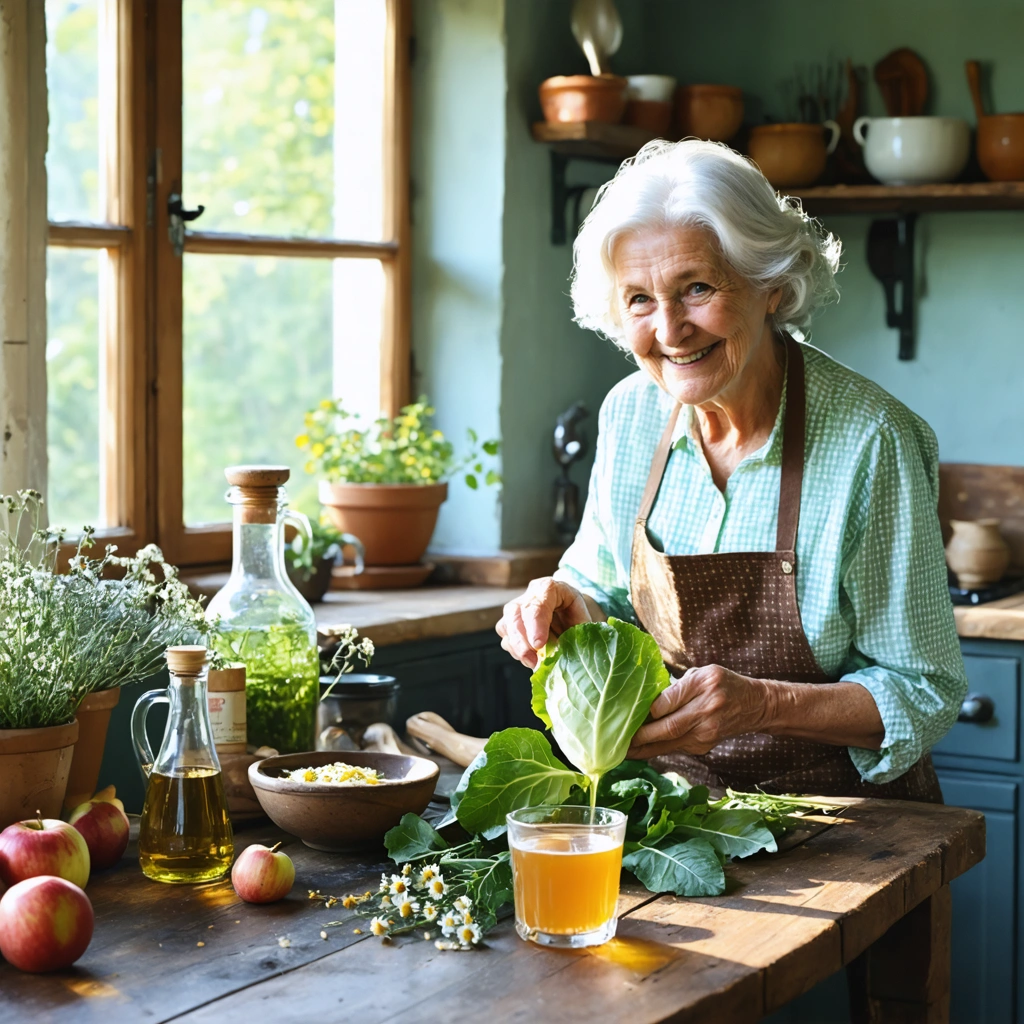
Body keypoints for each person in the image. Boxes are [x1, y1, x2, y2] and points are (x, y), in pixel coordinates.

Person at [496, 139, 966, 799]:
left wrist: (764, 706)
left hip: (847, 820)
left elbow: (926, 688)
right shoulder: (629, 416)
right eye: (638, 299)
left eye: (696, 288)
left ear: (770, 287)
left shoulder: (871, 440)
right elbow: (596, 580)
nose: (669, 330)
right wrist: (567, 603)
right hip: (681, 813)